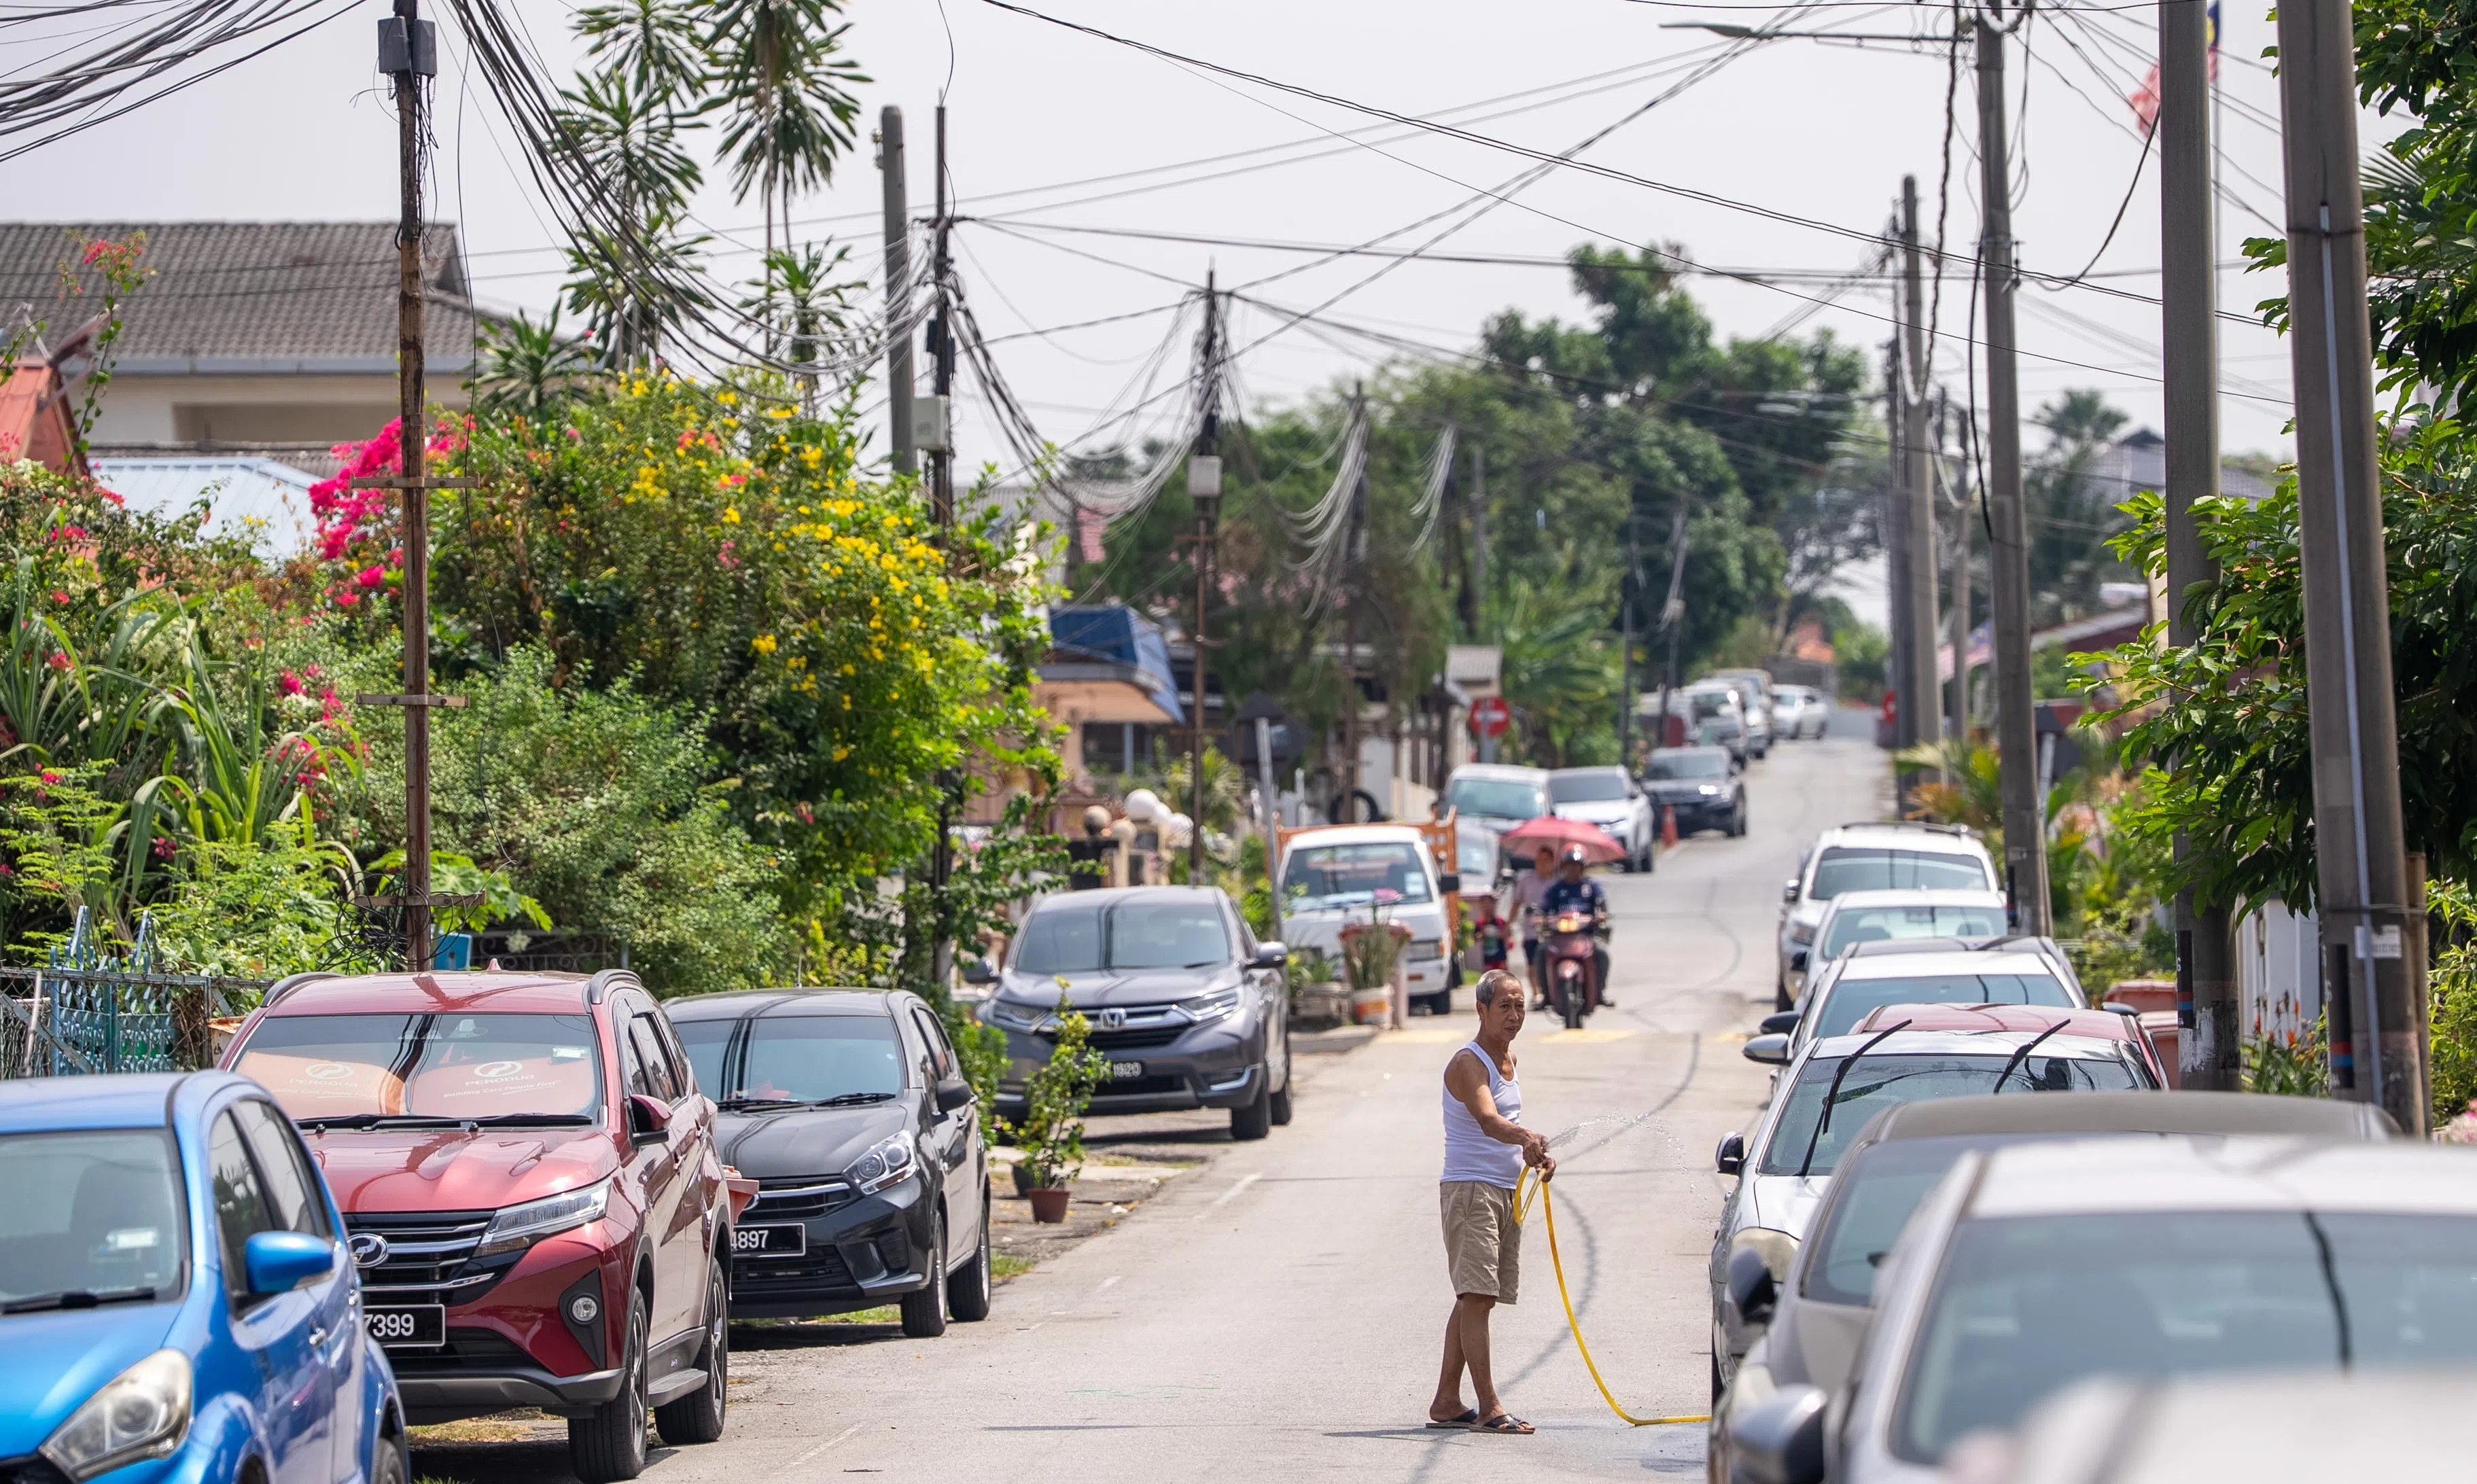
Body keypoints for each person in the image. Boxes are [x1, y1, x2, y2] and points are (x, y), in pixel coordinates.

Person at [1430, 969, 1554, 1435]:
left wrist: (1535, 1152)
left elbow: (1509, 1126)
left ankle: (1446, 1400)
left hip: (1503, 1190)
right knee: (1476, 1296)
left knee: (1474, 1297)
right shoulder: (1469, 1062)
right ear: (1480, 1010)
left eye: (1520, 1005)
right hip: (1471, 1191)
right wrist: (1524, 1136)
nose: (1514, 1015)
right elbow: (1487, 1119)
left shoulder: (1509, 1059)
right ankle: (1488, 1406)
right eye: (1504, 1005)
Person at [1538, 844, 1614, 1008]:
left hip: (1585, 936)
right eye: (1569, 865)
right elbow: (1542, 909)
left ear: (1583, 867)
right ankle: (1545, 996)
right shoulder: (1556, 889)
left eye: (1577, 865)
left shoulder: (1591, 887)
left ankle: (1599, 993)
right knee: (1541, 952)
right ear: (1564, 866)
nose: (1573, 869)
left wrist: (1601, 915)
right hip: (1559, 937)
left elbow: (1602, 906)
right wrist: (1540, 918)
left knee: (1602, 954)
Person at [1513, 843, 1557, 1009]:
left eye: (1546, 860)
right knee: (1532, 963)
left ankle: (1552, 991)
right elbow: (1516, 903)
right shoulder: (1526, 880)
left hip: (1553, 929)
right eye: (1539, 860)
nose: (1542, 864)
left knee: (1549, 961)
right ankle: (1536, 992)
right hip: (1532, 929)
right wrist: (1508, 924)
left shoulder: (1558, 882)